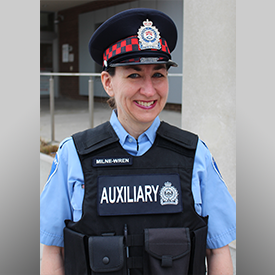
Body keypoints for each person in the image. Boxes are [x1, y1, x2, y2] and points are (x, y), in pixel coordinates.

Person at [40, 8, 236, 275]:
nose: (149, 90)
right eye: (134, 75)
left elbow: (218, 251)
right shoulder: (74, 156)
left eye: (158, 74)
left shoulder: (194, 155)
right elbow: (53, 252)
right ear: (108, 82)